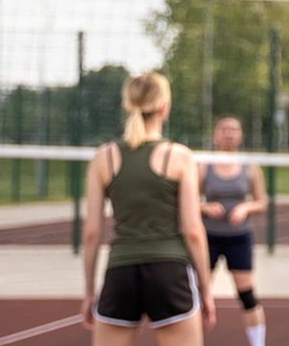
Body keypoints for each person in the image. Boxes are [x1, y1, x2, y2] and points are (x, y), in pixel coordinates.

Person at [80, 72, 216, 345]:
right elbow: (193, 231)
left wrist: (89, 292)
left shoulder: (103, 158)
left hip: (121, 272)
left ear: (127, 105)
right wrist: (206, 289)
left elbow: (92, 232)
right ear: (165, 107)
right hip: (169, 272)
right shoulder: (179, 156)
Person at [202, 116, 268, 346]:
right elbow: (187, 202)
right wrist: (206, 207)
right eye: (224, 129)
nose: (229, 133)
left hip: (239, 238)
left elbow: (261, 202)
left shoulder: (250, 167)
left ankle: (257, 343)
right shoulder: (204, 165)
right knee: (198, 294)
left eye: (234, 129)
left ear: (240, 135)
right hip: (208, 238)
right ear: (215, 134)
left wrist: (245, 207)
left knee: (247, 294)